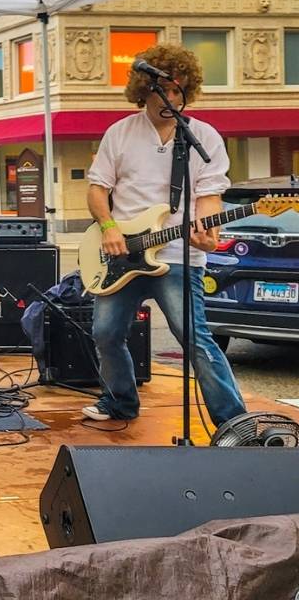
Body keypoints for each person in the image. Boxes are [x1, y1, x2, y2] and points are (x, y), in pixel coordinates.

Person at [83, 43, 246, 425]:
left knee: (195, 339)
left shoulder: (202, 137)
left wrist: (209, 232)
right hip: (121, 255)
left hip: (176, 256)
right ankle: (120, 401)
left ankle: (233, 421)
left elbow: (209, 196)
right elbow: (96, 189)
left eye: (177, 90)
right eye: (162, 90)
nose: (170, 98)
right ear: (143, 90)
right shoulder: (120, 133)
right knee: (105, 333)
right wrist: (108, 227)